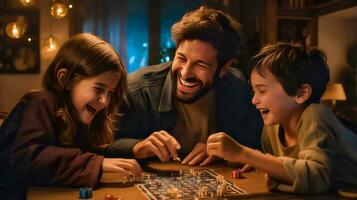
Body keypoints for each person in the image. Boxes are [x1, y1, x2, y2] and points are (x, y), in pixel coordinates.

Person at [107, 7, 262, 166]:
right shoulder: (137, 90)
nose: (186, 73)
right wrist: (137, 147)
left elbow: (255, 144)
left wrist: (225, 152)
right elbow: (101, 146)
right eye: (181, 58)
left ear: (224, 69)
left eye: (200, 65)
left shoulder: (238, 87)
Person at [0, 33, 142, 200]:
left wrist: (133, 149)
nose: (105, 101)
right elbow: (27, 158)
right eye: (98, 89)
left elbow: (87, 153)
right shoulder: (39, 101)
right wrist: (98, 164)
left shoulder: (78, 116)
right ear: (65, 79)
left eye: (110, 92)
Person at [207, 43, 357, 194]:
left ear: (301, 93)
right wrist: (260, 163)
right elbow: (285, 174)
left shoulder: (315, 115)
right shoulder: (271, 129)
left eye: (262, 90)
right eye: (254, 91)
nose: (254, 100)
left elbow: (317, 178)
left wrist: (244, 154)